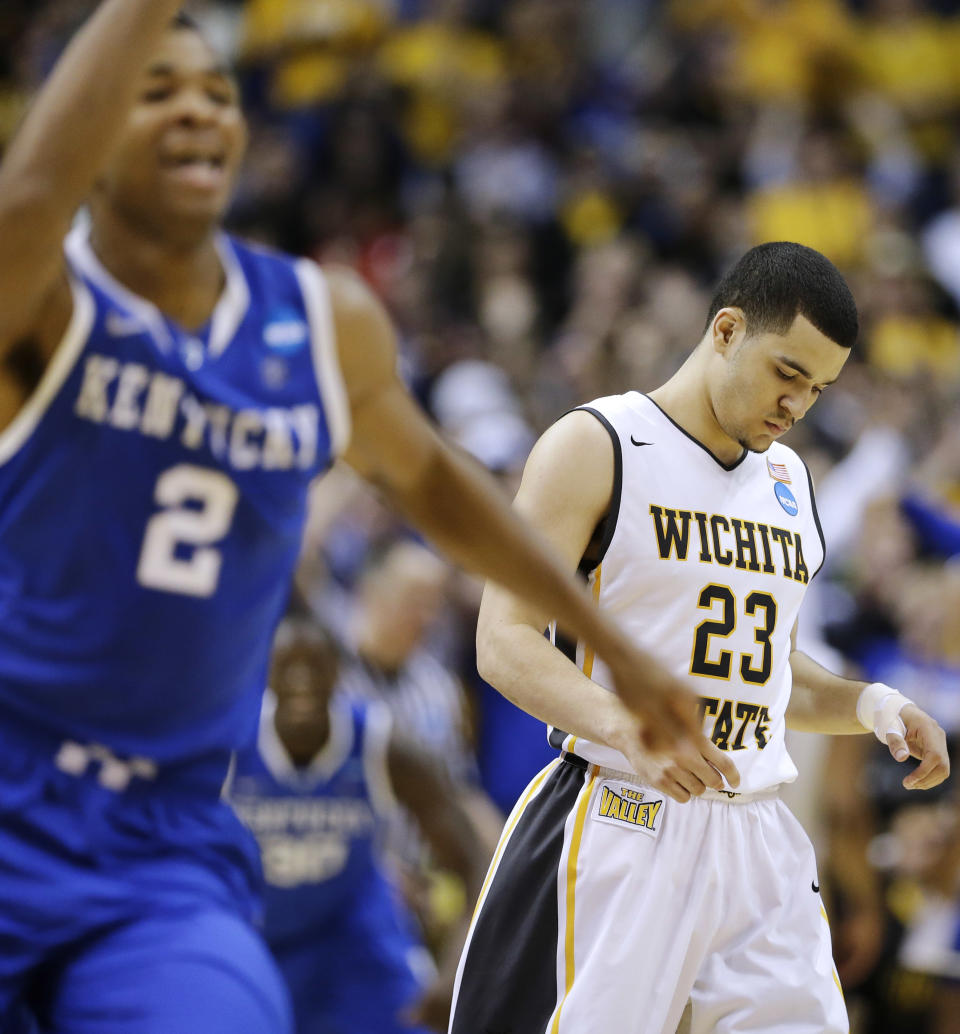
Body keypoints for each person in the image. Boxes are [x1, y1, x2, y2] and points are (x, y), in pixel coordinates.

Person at [0, 3, 721, 1031]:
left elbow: (438, 486)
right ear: (87, 126)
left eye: (216, 92)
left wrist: (613, 641)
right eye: (154, 92)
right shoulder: (44, 299)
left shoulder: (319, 321)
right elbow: (30, 190)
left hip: (159, 846)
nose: (198, 112)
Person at [448, 242, 952, 1034]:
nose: (797, 406)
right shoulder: (596, 445)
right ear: (725, 330)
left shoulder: (789, 484)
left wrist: (873, 705)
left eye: (817, 389)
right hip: (621, 816)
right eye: (787, 374)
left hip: (759, 835)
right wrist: (627, 726)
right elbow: (503, 641)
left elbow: (771, 675)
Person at [230, 618, 494, 1034]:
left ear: (339, 672)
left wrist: (457, 965)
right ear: (265, 674)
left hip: (355, 934)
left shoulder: (378, 744)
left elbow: (476, 859)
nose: (302, 679)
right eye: (288, 665)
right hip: (260, 929)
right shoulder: (232, 745)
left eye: (316, 665)